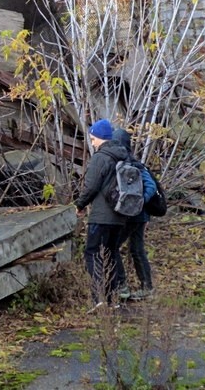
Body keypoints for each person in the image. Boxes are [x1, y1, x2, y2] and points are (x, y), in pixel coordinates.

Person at [74, 119, 131, 308]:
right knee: (111, 254)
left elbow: (91, 187)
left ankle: (98, 298)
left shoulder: (101, 157)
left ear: (101, 138)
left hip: (101, 215)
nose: (92, 142)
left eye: (93, 138)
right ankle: (112, 299)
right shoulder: (123, 156)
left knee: (93, 253)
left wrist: (80, 204)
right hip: (120, 215)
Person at [112, 126, 154, 301]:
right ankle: (147, 288)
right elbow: (151, 186)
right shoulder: (137, 164)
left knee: (112, 247)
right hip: (140, 216)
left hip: (132, 216)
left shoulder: (125, 165)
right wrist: (141, 202)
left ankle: (122, 286)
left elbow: (150, 186)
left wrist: (137, 202)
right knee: (137, 249)